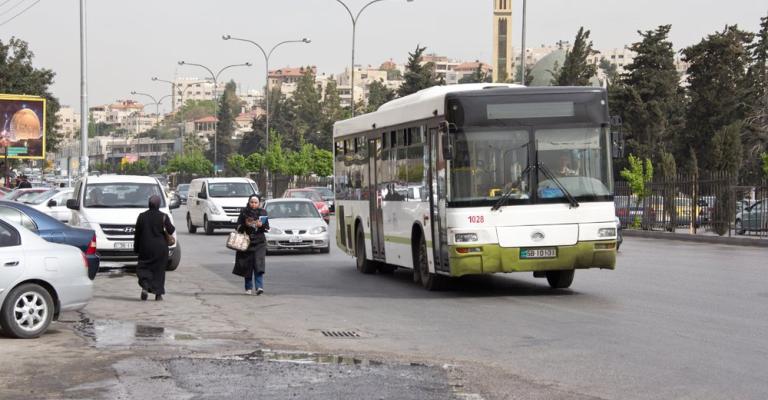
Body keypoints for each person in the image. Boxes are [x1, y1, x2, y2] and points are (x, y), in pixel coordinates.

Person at [133, 195, 175, 301]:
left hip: (145, 247)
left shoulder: (142, 216)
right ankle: (158, 294)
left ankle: (145, 285)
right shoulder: (163, 216)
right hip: (160, 248)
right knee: (159, 271)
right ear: (159, 205)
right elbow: (171, 230)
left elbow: (137, 234)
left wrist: (136, 248)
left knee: (143, 268)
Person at [232, 195, 269, 295]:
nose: (253, 204)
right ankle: (248, 288)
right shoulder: (244, 212)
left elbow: (267, 227)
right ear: (248, 202)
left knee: (258, 264)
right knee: (247, 265)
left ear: (259, 203)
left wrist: (261, 225)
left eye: (255, 202)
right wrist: (245, 225)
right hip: (246, 242)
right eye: (251, 202)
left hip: (259, 242)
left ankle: (259, 287)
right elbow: (238, 227)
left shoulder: (263, 212)